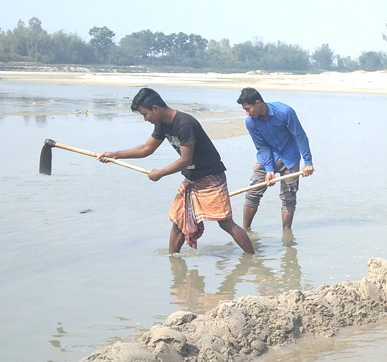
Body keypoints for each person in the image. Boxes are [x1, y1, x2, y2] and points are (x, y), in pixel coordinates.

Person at [99, 87, 254, 254]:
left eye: (145, 114)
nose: (145, 119)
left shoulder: (184, 123)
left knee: (225, 222)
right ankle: (173, 262)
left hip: (210, 177)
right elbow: (146, 149)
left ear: (156, 109)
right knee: (178, 221)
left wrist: (160, 173)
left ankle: (252, 258)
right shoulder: (162, 124)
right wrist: (115, 155)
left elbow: (185, 160)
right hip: (192, 178)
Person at [236, 87, 315, 231]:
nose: (247, 113)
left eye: (248, 108)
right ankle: (245, 231)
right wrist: (269, 169)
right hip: (266, 158)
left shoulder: (285, 112)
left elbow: (300, 136)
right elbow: (262, 146)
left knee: (289, 198)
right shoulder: (250, 122)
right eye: (245, 110)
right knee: (252, 193)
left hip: (289, 157)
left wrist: (308, 162)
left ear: (258, 103)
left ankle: (287, 234)